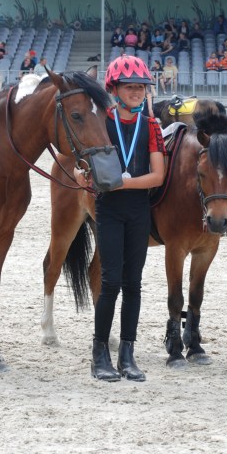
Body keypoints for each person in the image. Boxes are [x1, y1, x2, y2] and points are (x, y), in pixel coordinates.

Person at [80, 56, 166, 382]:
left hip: (138, 209)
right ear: (114, 90)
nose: (136, 92)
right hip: (109, 209)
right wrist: (82, 174)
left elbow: (157, 176)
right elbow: (81, 164)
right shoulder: (101, 122)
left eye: (141, 87)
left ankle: (127, 354)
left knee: (133, 283)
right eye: (129, 87)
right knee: (111, 281)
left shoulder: (151, 126)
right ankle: (99, 353)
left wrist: (122, 183)